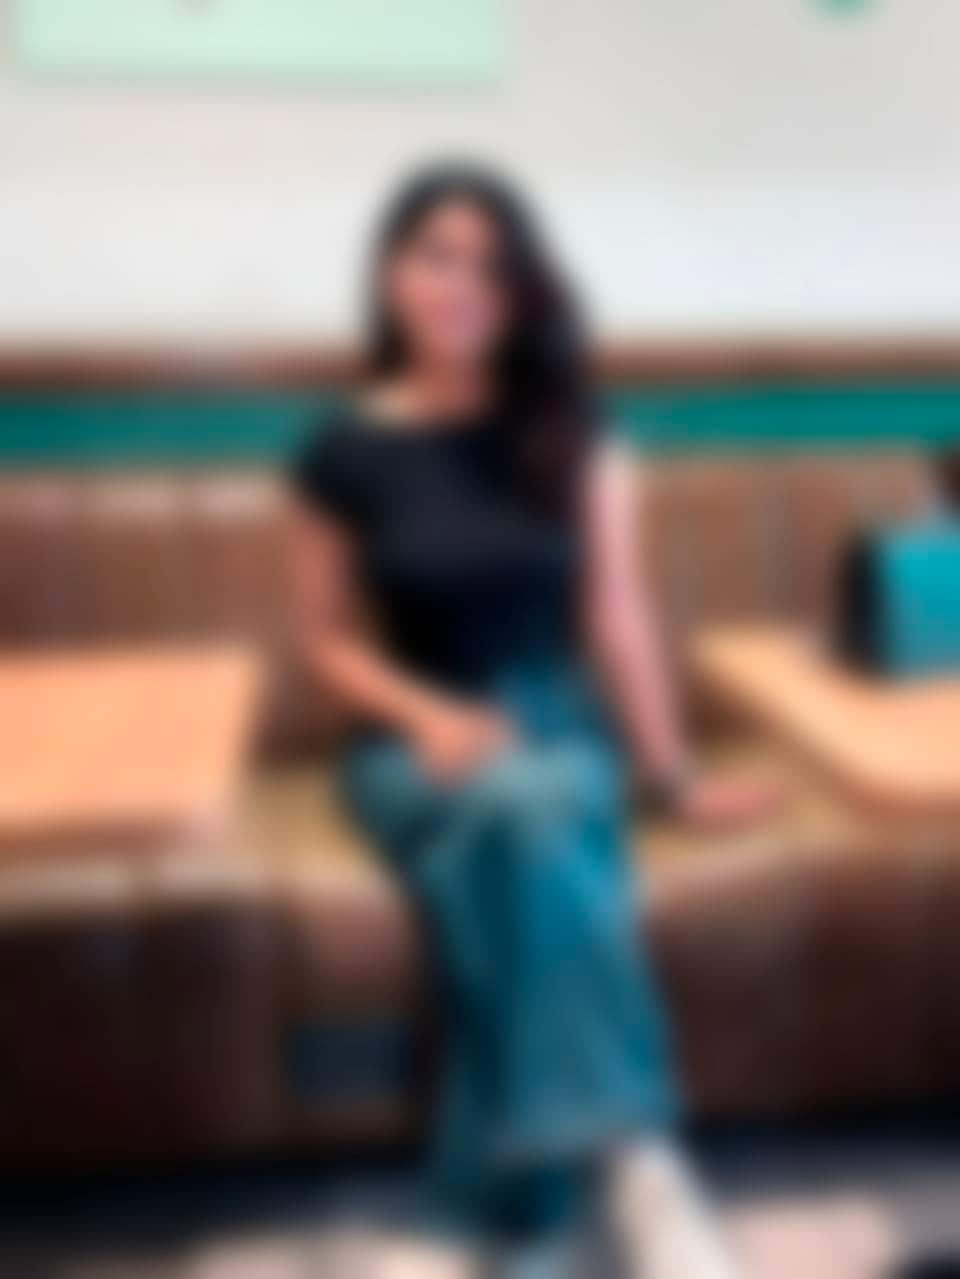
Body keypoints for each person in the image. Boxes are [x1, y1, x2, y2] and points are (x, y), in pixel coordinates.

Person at [288, 162, 776, 1277]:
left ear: (519, 293)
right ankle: (642, 1159)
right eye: (436, 255)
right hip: (408, 742)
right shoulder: (341, 448)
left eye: (490, 265)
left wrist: (673, 778)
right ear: (391, 273)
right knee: (529, 813)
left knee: (525, 823)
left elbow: (617, 613)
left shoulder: (572, 428)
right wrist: (425, 714)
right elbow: (323, 641)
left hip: (555, 721)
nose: (461, 283)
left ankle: (514, 1220)